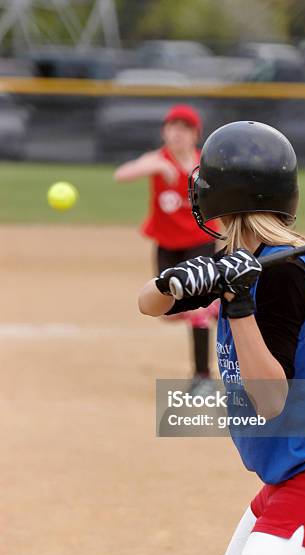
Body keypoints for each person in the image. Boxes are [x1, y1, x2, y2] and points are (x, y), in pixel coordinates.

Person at [138, 121, 305, 555]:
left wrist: (239, 305)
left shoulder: (281, 273)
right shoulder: (238, 260)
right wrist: (175, 282)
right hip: (288, 470)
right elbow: (147, 305)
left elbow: (270, 400)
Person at [115, 104, 219, 392]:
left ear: (196, 135)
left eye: (185, 128)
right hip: (167, 246)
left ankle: (203, 376)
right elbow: (122, 174)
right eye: (173, 127)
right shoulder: (157, 159)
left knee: (196, 308)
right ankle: (219, 306)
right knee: (167, 310)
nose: (177, 134)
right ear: (164, 131)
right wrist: (158, 166)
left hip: (200, 243)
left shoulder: (204, 165)